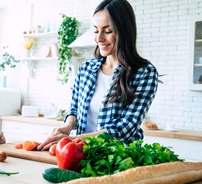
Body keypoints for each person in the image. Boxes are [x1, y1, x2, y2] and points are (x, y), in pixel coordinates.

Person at [37, 0, 158, 151]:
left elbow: (126, 127)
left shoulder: (144, 73)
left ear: (124, 32)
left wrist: (73, 139)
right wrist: (67, 127)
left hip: (119, 158)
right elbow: (74, 109)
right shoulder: (86, 69)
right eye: (96, 30)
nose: (99, 38)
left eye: (107, 31)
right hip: (80, 153)